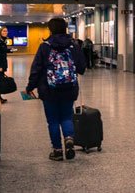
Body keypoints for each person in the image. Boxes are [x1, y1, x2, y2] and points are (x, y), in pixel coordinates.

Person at [25, 18, 86, 161]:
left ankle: (57, 151)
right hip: (69, 88)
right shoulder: (73, 45)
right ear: (65, 28)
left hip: (49, 90)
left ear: (50, 29)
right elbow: (82, 68)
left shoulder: (45, 46)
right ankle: (69, 139)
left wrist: (30, 86)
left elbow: (36, 69)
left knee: (53, 121)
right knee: (66, 117)